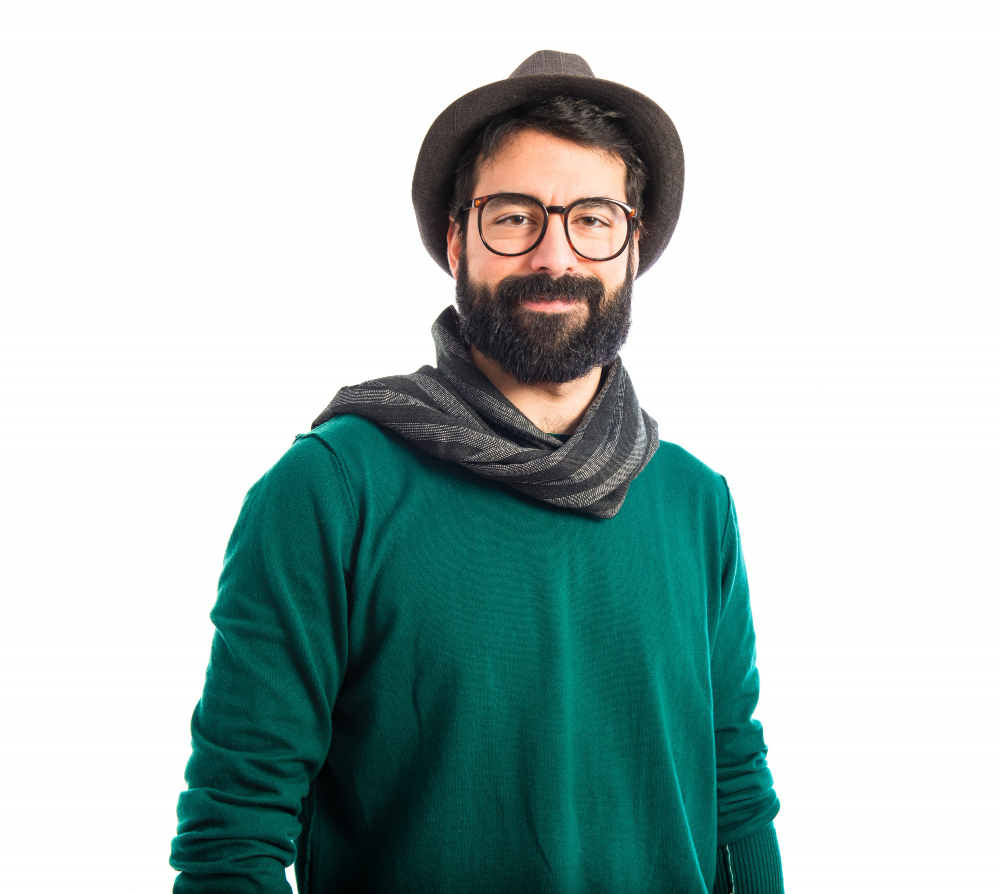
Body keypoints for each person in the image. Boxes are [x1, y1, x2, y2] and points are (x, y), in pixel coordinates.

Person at [170, 50, 783, 894]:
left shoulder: (695, 502)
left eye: (593, 218)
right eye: (515, 216)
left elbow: (736, 800)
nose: (554, 255)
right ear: (458, 239)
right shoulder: (331, 491)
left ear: (632, 247)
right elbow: (231, 843)